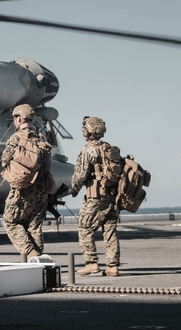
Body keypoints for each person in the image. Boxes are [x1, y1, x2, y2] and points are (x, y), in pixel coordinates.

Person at [69, 116, 122, 276]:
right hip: (112, 196)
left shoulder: (88, 150)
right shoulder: (111, 149)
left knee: (84, 227)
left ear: (89, 131)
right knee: (110, 229)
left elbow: (80, 175)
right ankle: (113, 266)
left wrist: (73, 189)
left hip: (95, 197)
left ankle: (91, 263)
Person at [1, 104, 51, 263]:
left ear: (19, 119)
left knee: (10, 221)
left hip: (22, 190)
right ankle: (38, 259)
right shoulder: (40, 138)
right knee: (34, 225)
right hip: (41, 190)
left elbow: (4, 160)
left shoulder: (15, 138)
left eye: (15, 118)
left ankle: (31, 253)